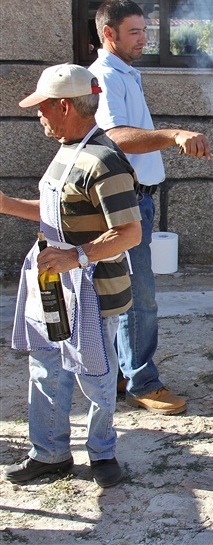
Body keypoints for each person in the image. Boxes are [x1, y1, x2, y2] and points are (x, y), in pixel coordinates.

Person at [1, 64, 142, 487]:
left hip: (93, 290)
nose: (38, 115)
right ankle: (50, 455)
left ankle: (102, 455)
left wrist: (76, 257)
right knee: (46, 368)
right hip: (57, 287)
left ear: (64, 105)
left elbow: (129, 232)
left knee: (96, 379)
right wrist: (5, 203)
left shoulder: (105, 160)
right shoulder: (69, 148)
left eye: (42, 107)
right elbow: (52, 213)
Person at [88, 0, 211, 415]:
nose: (144, 39)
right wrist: (174, 134)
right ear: (109, 34)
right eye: (135, 32)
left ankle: (126, 371)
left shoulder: (125, 72)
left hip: (139, 198)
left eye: (146, 30)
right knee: (141, 297)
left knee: (130, 294)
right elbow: (114, 136)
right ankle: (143, 382)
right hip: (126, 202)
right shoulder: (105, 74)